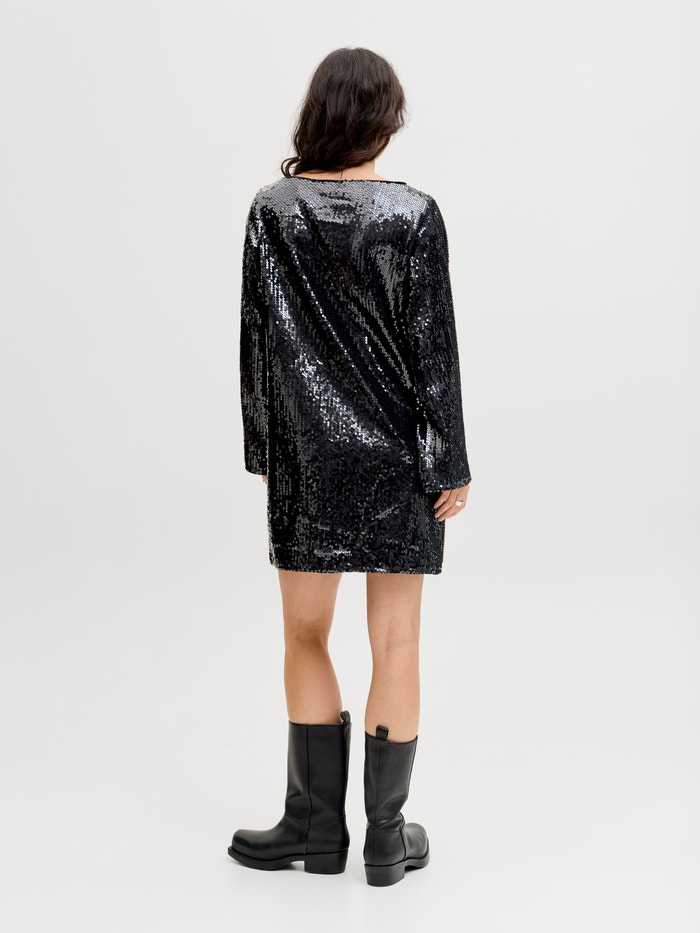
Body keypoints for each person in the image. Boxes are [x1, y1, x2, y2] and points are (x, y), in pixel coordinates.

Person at [227, 47, 472, 887]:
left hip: (310, 456)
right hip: (401, 457)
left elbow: (257, 341)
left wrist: (266, 447)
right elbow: (434, 351)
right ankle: (385, 838)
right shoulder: (414, 214)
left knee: (304, 633)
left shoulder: (272, 211)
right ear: (386, 119)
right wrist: (449, 460)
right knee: (397, 639)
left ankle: (314, 827)